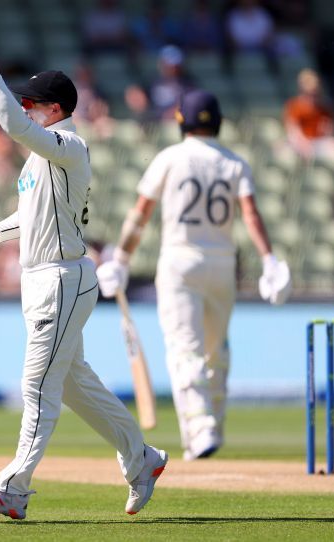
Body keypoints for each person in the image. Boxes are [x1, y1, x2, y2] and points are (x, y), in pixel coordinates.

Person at [0, 20, 168, 520]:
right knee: (75, 384)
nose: (26, 107)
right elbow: (33, 214)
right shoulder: (41, 161)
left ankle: (14, 486)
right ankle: (142, 458)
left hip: (62, 279)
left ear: (56, 109)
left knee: (37, 386)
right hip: (44, 279)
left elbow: (12, 124)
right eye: (24, 100)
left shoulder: (68, 146)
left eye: (33, 102)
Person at [95, 89, 291, 461]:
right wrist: (269, 260)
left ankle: (200, 428)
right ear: (218, 122)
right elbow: (250, 214)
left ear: (181, 121)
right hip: (222, 265)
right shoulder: (234, 162)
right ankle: (207, 428)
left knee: (185, 346)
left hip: (179, 262)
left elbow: (140, 214)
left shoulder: (170, 157)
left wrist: (120, 258)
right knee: (216, 350)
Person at [282, 68, 334, 163]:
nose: (312, 97)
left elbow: (329, 131)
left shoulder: (325, 107)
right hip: (299, 144)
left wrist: (327, 130)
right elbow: (293, 131)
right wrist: (303, 143)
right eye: (308, 93)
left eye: (314, 93)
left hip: (317, 143)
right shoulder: (294, 106)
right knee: (284, 153)